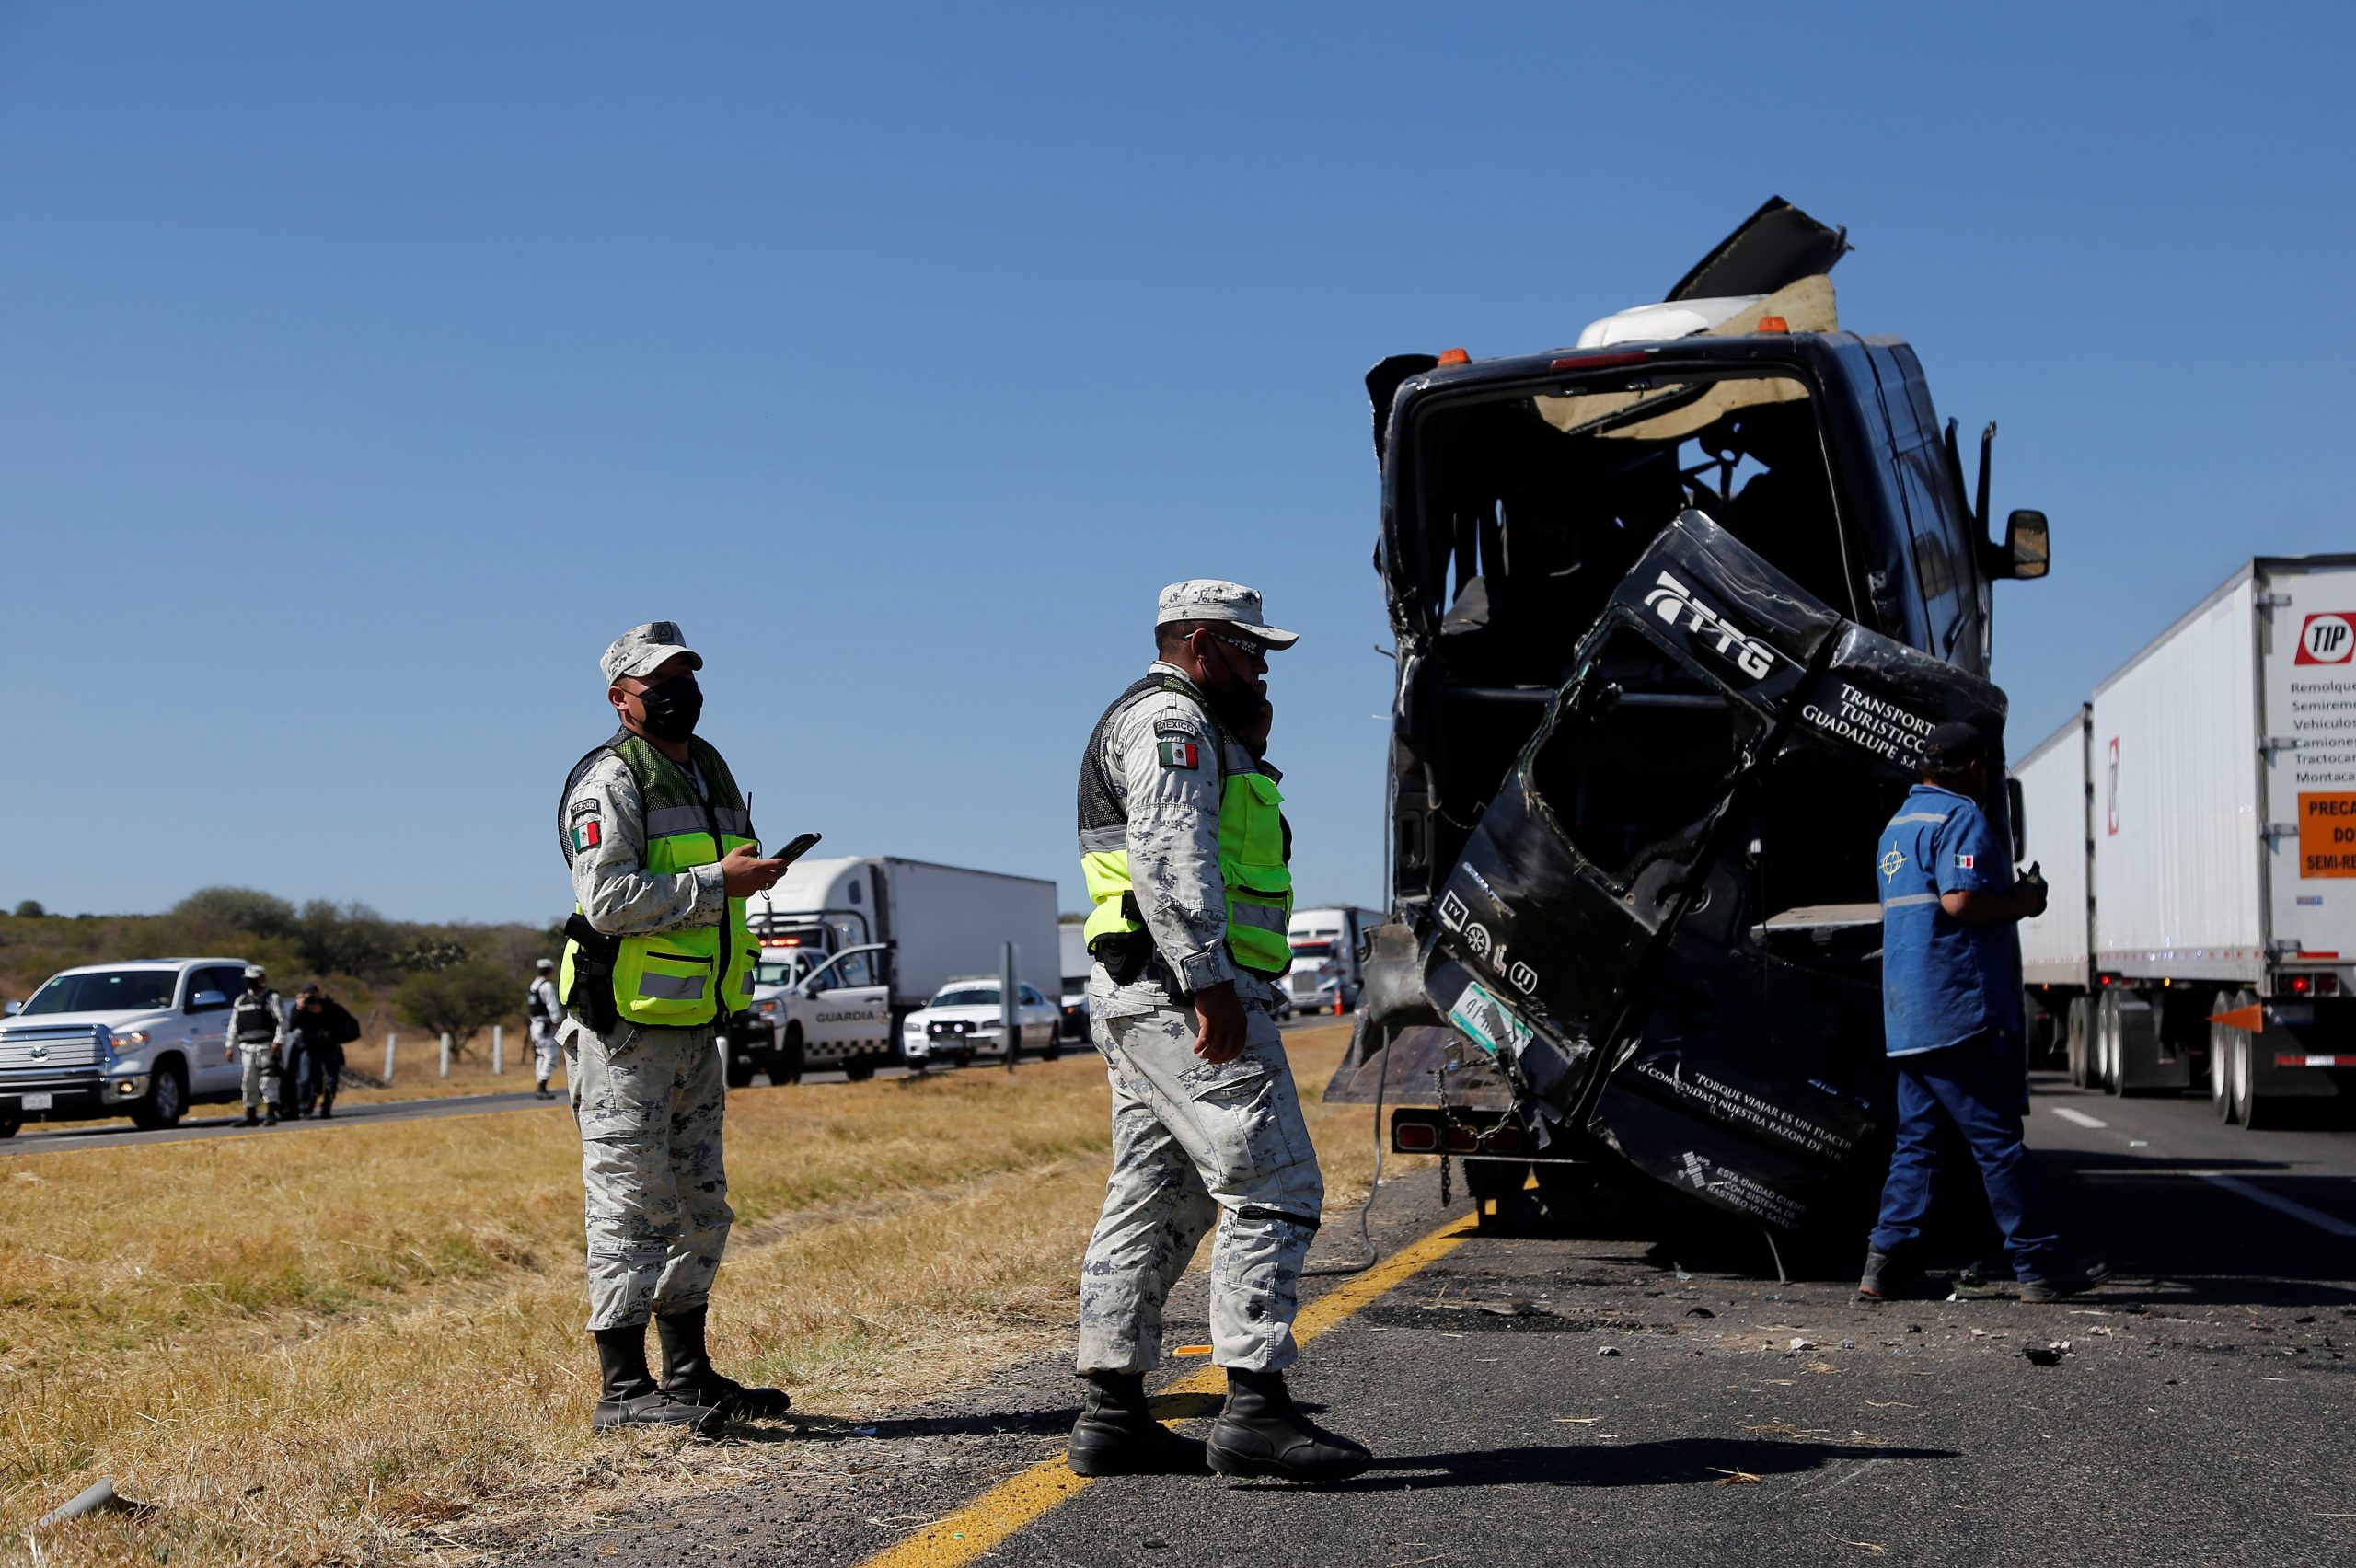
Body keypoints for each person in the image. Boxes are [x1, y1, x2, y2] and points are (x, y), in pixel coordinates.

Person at [1067, 579, 1369, 1483]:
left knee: (1159, 1195)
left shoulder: (1195, 727)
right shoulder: (1172, 724)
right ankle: (1255, 1407)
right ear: (1200, 643)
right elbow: (1170, 854)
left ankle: (1112, 1412)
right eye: (1249, 651)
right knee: (1274, 1181)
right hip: (1182, 991)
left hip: (1145, 991)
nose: (1262, 668)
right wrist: (1210, 984)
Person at [556, 621, 800, 1435]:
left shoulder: (710, 765)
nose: (680, 690)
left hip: (697, 1021)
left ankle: (689, 1375)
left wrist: (751, 877)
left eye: (687, 674)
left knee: (701, 1202)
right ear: (620, 698)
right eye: (659, 679)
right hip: (627, 1029)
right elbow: (609, 901)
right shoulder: (610, 778)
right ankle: (624, 1391)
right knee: (630, 1204)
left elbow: (714, 884)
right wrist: (714, 881)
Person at [1862, 720, 2109, 1303]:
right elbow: (1962, 900)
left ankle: (1886, 1263)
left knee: (1918, 1143)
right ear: (1976, 769)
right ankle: (2039, 1263)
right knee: (1998, 1140)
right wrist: (2024, 900)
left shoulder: (1897, 827)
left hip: (1909, 1014)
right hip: (1957, 1009)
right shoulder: (1960, 817)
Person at [225, 964, 286, 1127]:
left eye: (254, 979)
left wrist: (278, 1041)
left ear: (262, 979)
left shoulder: (272, 998)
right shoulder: (241, 1000)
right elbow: (234, 1025)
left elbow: (281, 1021)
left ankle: (271, 1112)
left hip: (266, 1046)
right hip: (247, 1048)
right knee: (249, 1080)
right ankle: (250, 1114)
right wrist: (229, 1045)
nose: (251, 983)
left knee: (268, 1079)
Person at [290, 983, 361, 1119]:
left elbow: (348, 1021)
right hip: (309, 1049)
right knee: (305, 1079)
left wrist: (340, 1037)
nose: (311, 997)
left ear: (318, 994)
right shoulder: (301, 1009)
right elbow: (291, 1026)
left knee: (331, 1080)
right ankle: (305, 1108)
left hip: (329, 1048)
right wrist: (299, 1009)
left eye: (313, 993)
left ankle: (326, 1107)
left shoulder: (330, 1007)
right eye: (307, 994)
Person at [527, 958, 562, 1100]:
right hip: (545, 1027)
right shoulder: (546, 986)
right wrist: (558, 1023)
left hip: (535, 1025)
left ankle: (540, 1084)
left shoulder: (533, 985)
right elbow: (552, 1007)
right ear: (550, 971)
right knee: (551, 1056)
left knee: (541, 1055)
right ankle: (542, 1086)